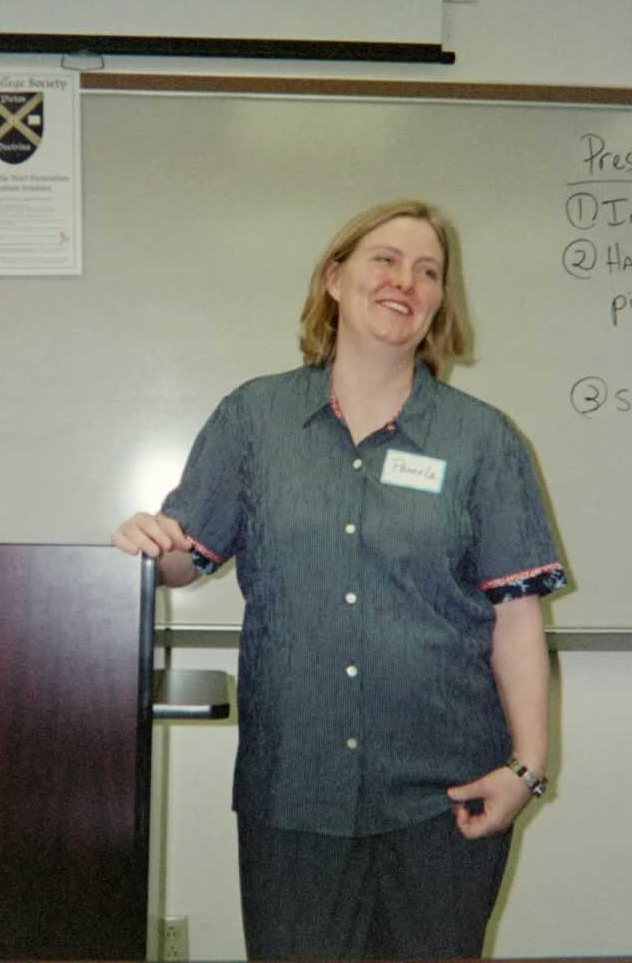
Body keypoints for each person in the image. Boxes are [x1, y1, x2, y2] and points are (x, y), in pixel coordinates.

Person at [112, 199, 567, 959]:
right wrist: (147, 544)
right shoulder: (254, 420)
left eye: (428, 272)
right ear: (334, 278)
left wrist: (528, 767)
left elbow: (516, 617)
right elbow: (185, 561)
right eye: (384, 260)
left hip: (446, 796)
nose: (405, 282)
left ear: (440, 303)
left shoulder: (484, 441)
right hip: (294, 791)